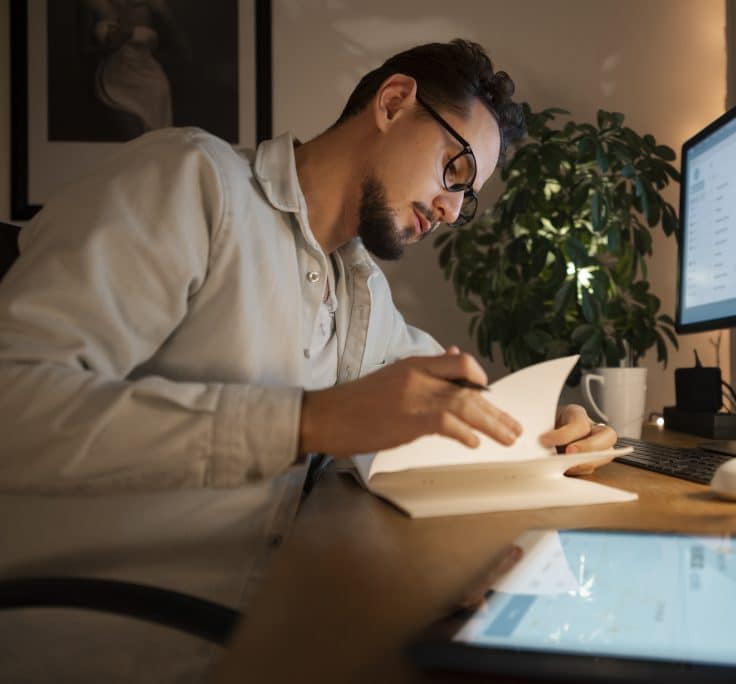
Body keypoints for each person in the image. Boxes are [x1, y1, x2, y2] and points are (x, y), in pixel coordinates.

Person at [0, 39, 615, 681]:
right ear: (394, 102)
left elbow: (463, 404)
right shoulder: (192, 181)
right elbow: (11, 404)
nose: (450, 209)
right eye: (454, 170)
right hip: (118, 645)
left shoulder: (361, 290)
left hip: (278, 619)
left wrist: (555, 432)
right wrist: (307, 422)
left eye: (468, 198)